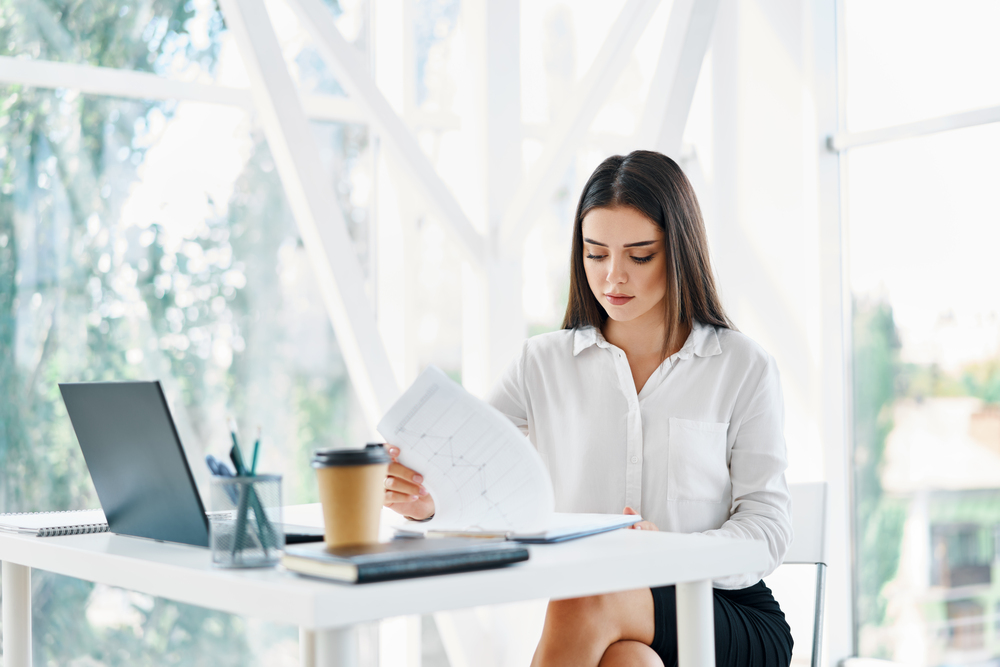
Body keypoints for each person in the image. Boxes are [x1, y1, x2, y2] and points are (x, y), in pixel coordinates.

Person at [382, 150, 794, 667]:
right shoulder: (543, 362)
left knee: (585, 595)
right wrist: (427, 499)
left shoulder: (742, 366)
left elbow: (767, 529)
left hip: (724, 611)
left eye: (639, 256)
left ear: (680, 251)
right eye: (595, 254)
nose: (612, 277)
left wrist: (668, 553)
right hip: (613, 617)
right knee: (629, 662)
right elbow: (474, 470)